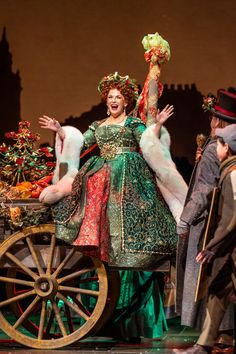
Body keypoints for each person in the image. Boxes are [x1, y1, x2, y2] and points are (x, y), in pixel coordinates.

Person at [39, 72, 187, 340]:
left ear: (126, 101)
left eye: (119, 97)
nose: (114, 100)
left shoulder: (133, 123)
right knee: (89, 186)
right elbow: (80, 143)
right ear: (106, 101)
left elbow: (147, 144)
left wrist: (157, 126)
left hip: (130, 177)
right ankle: (95, 237)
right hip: (102, 173)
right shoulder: (98, 125)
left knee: (132, 211)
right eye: (110, 97)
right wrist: (61, 131)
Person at [175, 89, 236, 348]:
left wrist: (186, 218)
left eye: (213, 117)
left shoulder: (217, 152)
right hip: (223, 231)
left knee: (216, 282)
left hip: (214, 228)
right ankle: (210, 341)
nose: (210, 122)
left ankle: (214, 339)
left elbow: (204, 190)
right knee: (220, 286)